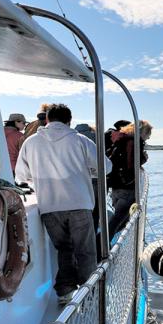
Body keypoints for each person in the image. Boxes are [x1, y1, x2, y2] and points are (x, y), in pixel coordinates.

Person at [15, 104, 112, 304]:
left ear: (48, 120)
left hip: (49, 206)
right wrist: (89, 173)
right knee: (85, 251)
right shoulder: (80, 140)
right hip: (79, 203)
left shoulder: (31, 142)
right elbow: (106, 167)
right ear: (69, 120)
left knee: (64, 249)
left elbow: (22, 176)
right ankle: (90, 297)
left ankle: (65, 291)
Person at [107, 120, 152, 238]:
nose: (148, 138)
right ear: (142, 132)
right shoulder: (132, 142)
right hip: (126, 188)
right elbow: (131, 164)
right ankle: (100, 246)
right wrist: (143, 159)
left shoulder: (122, 139)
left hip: (116, 186)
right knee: (118, 221)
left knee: (120, 221)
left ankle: (101, 243)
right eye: (148, 134)